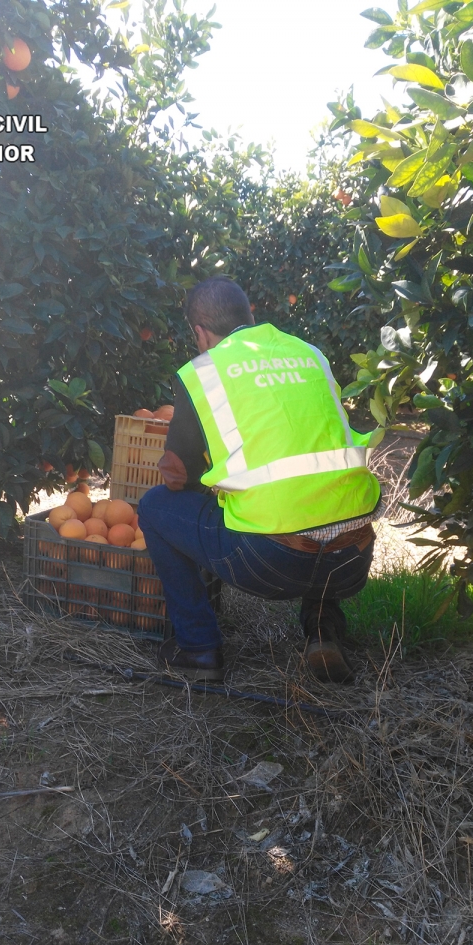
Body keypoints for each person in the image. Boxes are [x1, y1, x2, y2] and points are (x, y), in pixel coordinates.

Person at [137, 277, 383, 685]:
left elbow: (181, 477)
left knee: (155, 506)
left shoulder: (204, 373)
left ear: (199, 332)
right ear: (250, 316)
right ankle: (323, 630)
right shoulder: (310, 354)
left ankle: (197, 650)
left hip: (271, 564)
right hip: (353, 559)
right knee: (318, 496)